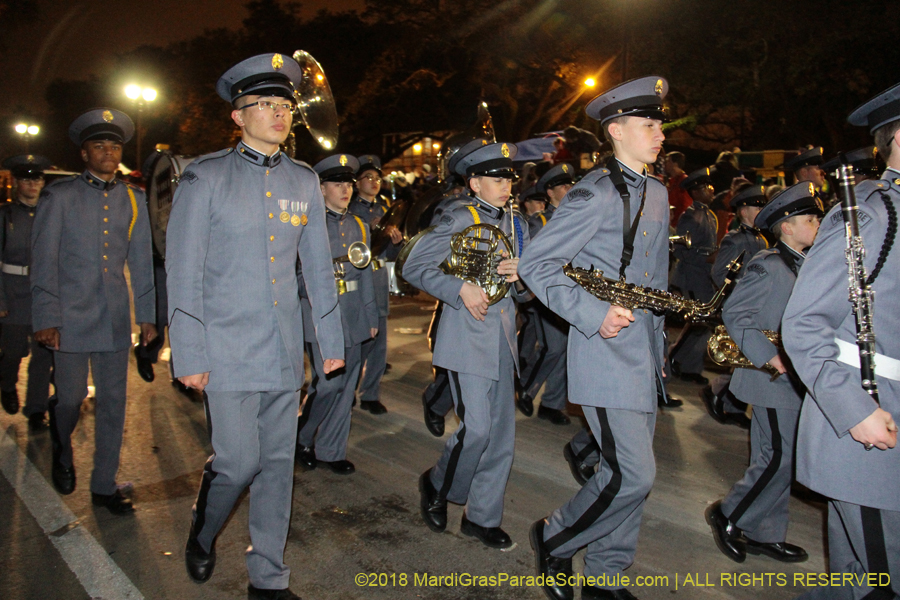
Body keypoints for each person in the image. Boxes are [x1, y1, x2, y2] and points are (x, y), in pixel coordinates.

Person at [166, 53, 344, 600]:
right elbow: (183, 268)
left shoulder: (305, 179)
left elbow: (317, 267)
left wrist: (330, 344)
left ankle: (268, 575)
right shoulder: (205, 175)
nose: (278, 112)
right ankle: (204, 529)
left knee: (276, 468)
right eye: (263, 103)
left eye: (284, 103)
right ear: (238, 116)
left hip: (285, 351)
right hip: (225, 350)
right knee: (238, 462)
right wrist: (189, 353)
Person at [520, 75, 670, 600]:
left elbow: (654, 277)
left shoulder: (657, 190)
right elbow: (538, 264)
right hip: (605, 349)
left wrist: (662, 347)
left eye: (659, 124)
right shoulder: (596, 192)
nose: (660, 134)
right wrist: (592, 312)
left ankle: (607, 576)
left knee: (622, 472)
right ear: (617, 130)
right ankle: (555, 535)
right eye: (649, 125)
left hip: (644, 352)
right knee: (634, 474)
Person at [783, 81, 900, 600]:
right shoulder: (872, 212)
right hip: (869, 417)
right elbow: (804, 323)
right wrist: (854, 409)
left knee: (853, 583)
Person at [404, 139, 529, 550]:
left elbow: (527, 293)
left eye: (508, 177)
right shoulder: (458, 217)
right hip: (465, 335)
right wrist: (459, 287)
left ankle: (481, 517)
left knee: (501, 438)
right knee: (476, 430)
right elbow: (415, 266)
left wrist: (521, 279)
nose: (505, 184)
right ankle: (437, 484)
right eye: (495, 177)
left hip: (504, 338)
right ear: (473, 182)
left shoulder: (518, 223)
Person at [31, 109, 157, 513]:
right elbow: (43, 259)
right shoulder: (60, 196)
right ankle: (61, 442)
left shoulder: (133, 200)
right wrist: (46, 317)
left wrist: (148, 316)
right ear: (84, 152)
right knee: (68, 399)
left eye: (115, 146)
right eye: (99, 145)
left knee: (114, 404)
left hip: (114, 318)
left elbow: (140, 262)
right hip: (68, 318)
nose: (108, 152)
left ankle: (103, 486)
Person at [706, 182, 821, 565]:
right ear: (786, 226)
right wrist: (772, 358)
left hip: (795, 378)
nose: (817, 223)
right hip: (770, 378)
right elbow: (735, 315)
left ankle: (765, 532)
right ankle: (729, 514)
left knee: (784, 458)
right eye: (810, 218)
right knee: (776, 459)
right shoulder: (768, 265)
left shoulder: (805, 264)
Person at [295, 154, 378, 475]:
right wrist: (324, 275)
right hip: (319, 315)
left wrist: (371, 317)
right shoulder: (307, 224)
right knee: (328, 385)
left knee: (346, 389)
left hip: (354, 314)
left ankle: (330, 449)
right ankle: (302, 436)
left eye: (348, 183)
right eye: (337, 183)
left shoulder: (358, 224)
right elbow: (296, 277)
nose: (345, 189)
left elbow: (366, 273)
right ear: (321, 188)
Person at [701, 184, 769, 427]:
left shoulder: (761, 238)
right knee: (743, 358)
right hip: (739, 307)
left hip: (755, 307)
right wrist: (742, 293)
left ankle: (727, 399)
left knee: (746, 359)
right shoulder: (736, 239)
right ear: (743, 211)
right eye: (756, 206)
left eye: (762, 205)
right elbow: (720, 273)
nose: (761, 210)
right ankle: (719, 393)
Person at [517, 162, 575, 425]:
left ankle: (552, 403)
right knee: (555, 346)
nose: (570, 188)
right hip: (547, 294)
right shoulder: (540, 221)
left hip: (574, 293)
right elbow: (532, 261)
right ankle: (526, 388)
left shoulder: (578, 217)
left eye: (571, 183)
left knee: (565, 350)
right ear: (550, 192)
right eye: (564, 185)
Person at [0, 154, 55, 428]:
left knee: (43, 355)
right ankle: (7, 385)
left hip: (43, 294)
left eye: (37, 179)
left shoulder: (51, 215)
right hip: (12, 292)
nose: (32, 184)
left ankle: (36, 409)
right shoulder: (5, 215)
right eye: (26, 179)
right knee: (12, 351)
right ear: (15, 182)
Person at [348, 154, 401, 415]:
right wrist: (370, 230)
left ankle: (371, 393)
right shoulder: (350, 209)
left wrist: (396, 240)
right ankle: (347, 391)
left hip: (378, 278)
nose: (374, 182)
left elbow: (388, 255)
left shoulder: (384, 208)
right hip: (359, 278)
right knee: (359, 341)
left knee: (379, 342)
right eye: (368, 178)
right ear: (357, 183)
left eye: (378, 178)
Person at [669, 167, 718, 385]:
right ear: (695, 192)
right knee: (697, 323)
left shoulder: (709, 215)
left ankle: (686, 363)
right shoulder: (689, 217)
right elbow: (681, 250)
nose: (711, 191)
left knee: (702, 324)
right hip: (690, 276)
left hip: (703, 276)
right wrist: (707, 258)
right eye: (706, 188)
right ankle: (676, 358)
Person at [663, 151, 691, 226]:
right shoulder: (672, 180)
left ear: (674, 164)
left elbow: (685, 206)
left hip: (678, 225)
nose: (664, 165)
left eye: (667, 162)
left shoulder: (684, 181)